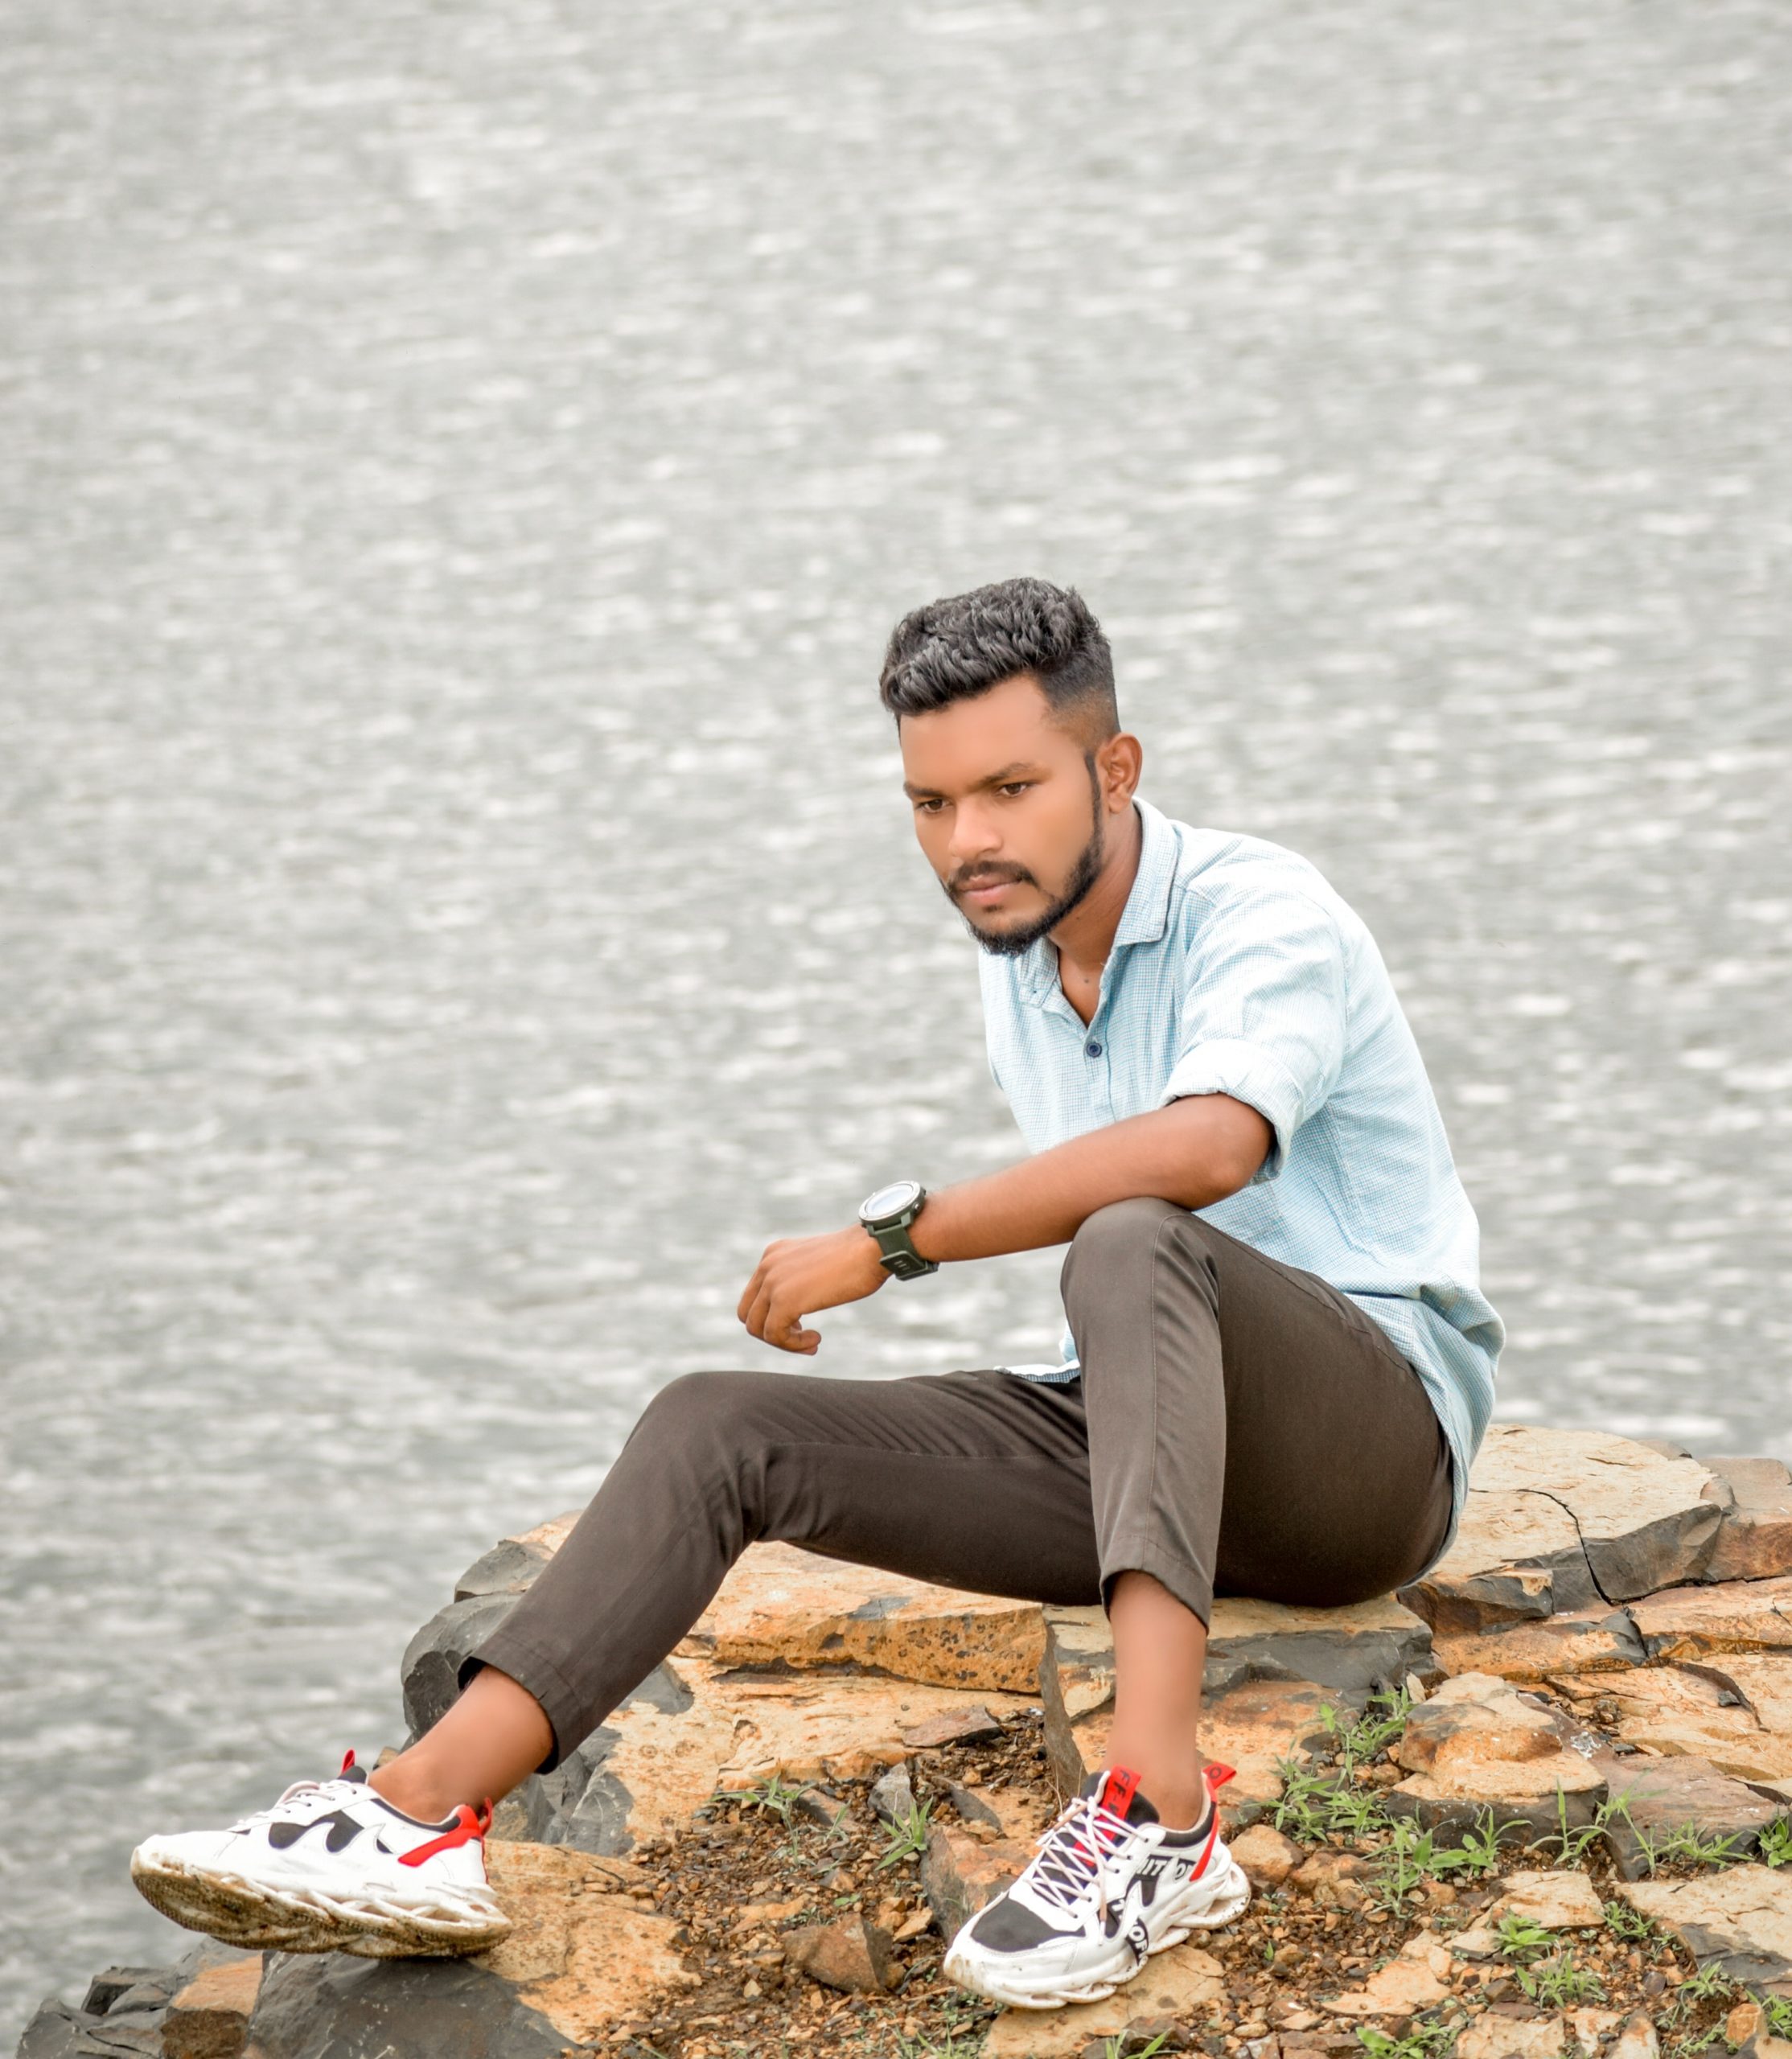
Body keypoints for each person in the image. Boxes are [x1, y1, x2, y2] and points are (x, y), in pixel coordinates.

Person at [130, 577, 1502, 2012]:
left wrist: (895, 1238)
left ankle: (1158, 1815)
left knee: (1130, 1232)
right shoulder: (1025, 962)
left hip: (1370, 1456)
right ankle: (420, 1812)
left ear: (1116, 768)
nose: (968, 842)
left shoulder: (1262, 908)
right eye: (931, 803)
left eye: (1011, 788)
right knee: (720, 1427)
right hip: (1150, 1445)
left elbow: (1212, 1149)